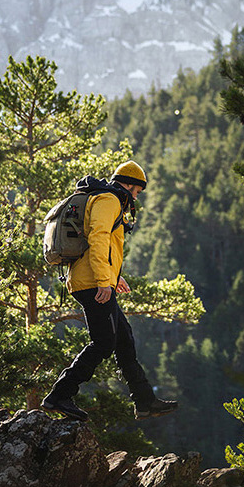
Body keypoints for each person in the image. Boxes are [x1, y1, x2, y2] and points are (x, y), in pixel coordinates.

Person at [41, 159, 178, 422]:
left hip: (97, 278)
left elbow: (104, 245)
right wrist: (105, 280)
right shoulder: (109, 200)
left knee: (123, 337)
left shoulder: (105, 199)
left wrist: (115, 277)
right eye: (136, 191)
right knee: (103, 343)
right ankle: (60, 395)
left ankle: (145, 400)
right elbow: (98, 237)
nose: (135, 197)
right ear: (128, 184)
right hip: (93, 283)